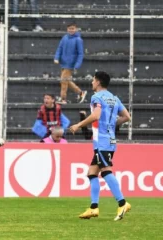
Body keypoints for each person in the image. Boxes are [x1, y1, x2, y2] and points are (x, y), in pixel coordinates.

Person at [69, 71, 132, 221]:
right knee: (92, 173)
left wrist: (78, 124)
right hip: (109, 140)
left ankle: (122, 203)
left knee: (105, 171)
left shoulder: (96, 97)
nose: (92, 83)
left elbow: (96, 115)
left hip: (102, 141)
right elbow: (126, 117)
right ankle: (93, 208)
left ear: (98, 82)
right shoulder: (114, 98)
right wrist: (111, 124)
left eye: (93, 80)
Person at [54, 22, 86, 105]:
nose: (71, 30)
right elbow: (60, 48)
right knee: (67, 80)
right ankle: (80, 92)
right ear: (67, 29)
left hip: (70, 64)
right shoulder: (64, 38)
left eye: (73, 28)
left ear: (76, 29)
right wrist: (57, 57)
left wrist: (77, 65)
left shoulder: (78, 40)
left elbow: (80, 54)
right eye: (69, 28)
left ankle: (63, 99)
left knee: (63, 81)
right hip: (63, 63)